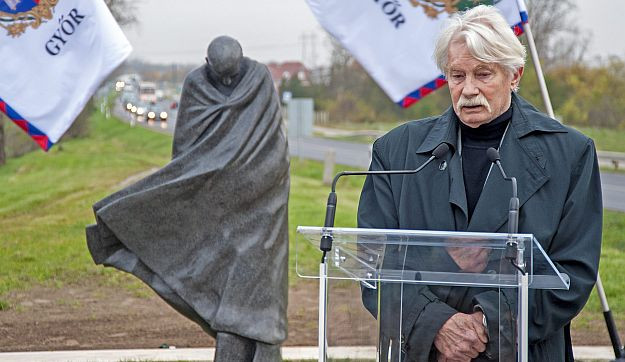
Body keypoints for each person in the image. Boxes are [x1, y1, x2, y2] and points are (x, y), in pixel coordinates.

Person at [357, 5, 602, 362]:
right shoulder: (396, 151)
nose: (468, 90)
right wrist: (438, 325)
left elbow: (573, 273)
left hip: (522, 351)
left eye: (483, 74)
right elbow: (372, 262)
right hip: (423, 350)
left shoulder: (570, 154)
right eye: (457, 76)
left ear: (514, 75)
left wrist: (488, 323)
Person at [86, 36, 289, 361]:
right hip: (214, 196)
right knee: (215, 273)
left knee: (261, 283)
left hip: (261, 198)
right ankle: (233, 348)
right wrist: (197, 188)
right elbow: (186, 153)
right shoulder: (196, 83)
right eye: (220, 77)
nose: (226, 83)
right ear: (207, 64)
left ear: (242, 63)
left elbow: (271, 140)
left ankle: (262, 350)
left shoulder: (259, 77)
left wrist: (251, 175)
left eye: (231, 76)